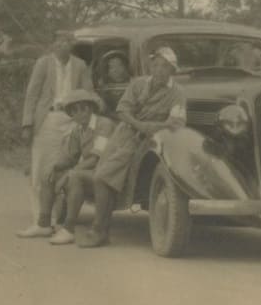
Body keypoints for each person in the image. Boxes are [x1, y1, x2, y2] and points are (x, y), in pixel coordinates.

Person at [78, 47, 186, 248]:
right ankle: (102, 230)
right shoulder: (138, 84)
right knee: (101, 177)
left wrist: (150, 127)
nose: (159, 70)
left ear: (172, 70)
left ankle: (99, 230)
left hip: (147, 140)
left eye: (165, 66)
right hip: (123, 134)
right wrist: (140, 124)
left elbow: (176, 123)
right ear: (151, 66)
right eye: (156, 65)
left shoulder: (177, 93)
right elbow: (122, 110)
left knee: (102, 178)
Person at [16, 89, 117, 244]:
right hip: (88, 172)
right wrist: (56, 167)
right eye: (75, 111)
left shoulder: (104, 124)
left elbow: (96, 158)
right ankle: (43, 224)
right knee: (48, 172)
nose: (80, 114)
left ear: (91, 108)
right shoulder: (78, 130)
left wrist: (70, 172)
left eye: (84, 108)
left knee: (74, 176)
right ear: (71, 115)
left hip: (105, 174)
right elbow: (70, 157)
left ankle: (68, 229)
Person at [19, 30, 93, 232]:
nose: (63, 45)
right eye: (59, 41)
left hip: (72, 119)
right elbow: (32, 94)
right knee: (42, 167)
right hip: (48, 118)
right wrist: (27, 123)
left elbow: (88, 92)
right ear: (53, 44)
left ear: (72, 45)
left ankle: (58, 218)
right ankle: (39, 220)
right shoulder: (43, 63)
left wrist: (86, 115)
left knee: (66, 165)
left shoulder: (80, 65)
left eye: (68, 42)